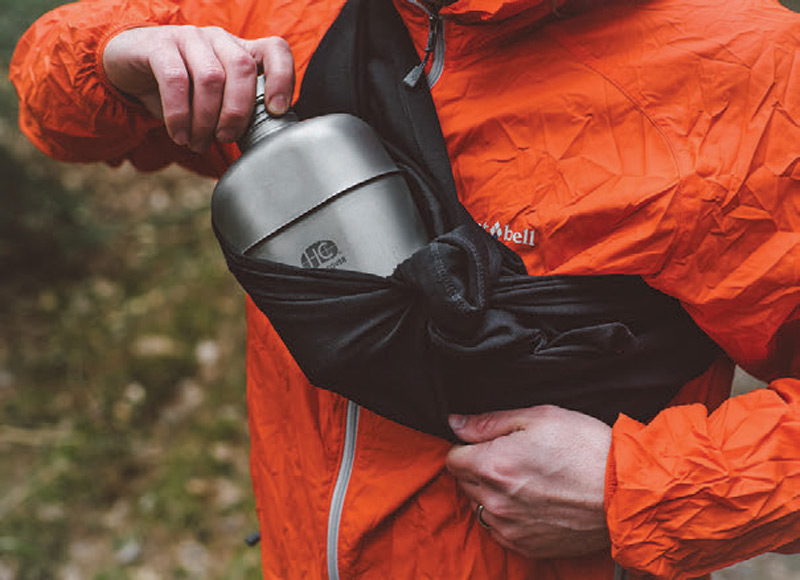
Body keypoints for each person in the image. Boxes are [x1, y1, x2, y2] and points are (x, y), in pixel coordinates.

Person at [10, 0, 800, 578]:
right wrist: (119, 55)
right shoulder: (300, 16)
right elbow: (58, 112)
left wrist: (634, 489)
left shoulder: (751, 71)